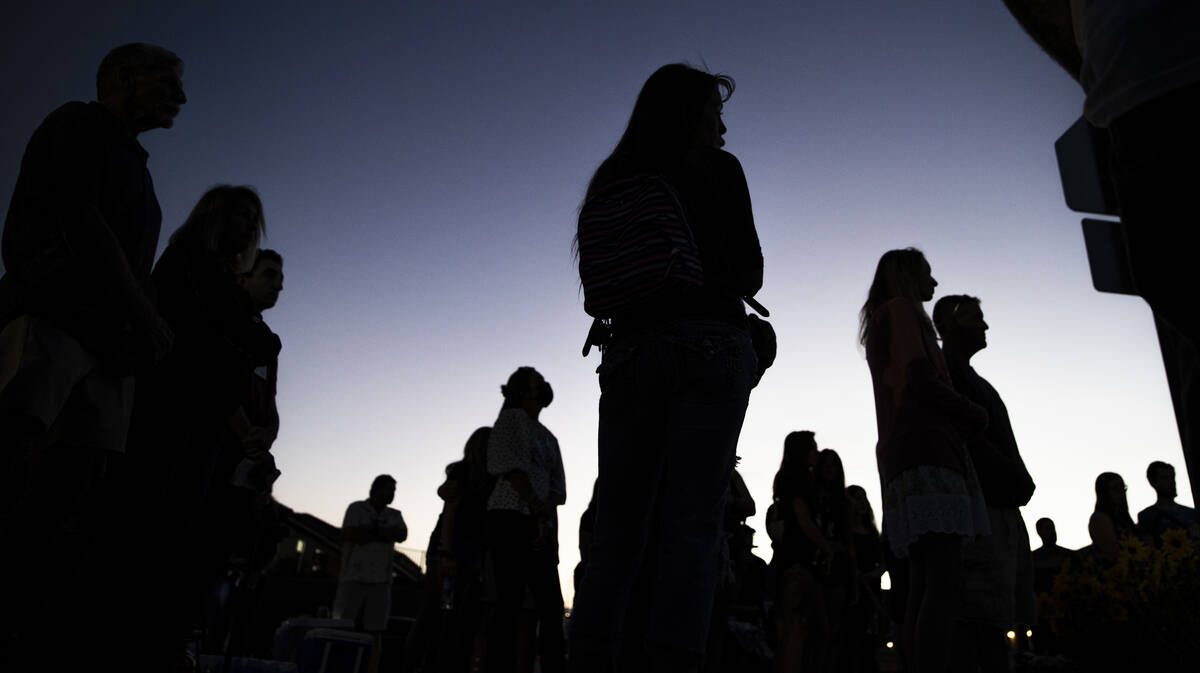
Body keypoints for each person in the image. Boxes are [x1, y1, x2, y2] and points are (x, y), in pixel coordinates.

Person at [568, 64, 763, 673]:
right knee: (692, 529)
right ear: (691, 113)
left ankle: (593, 661)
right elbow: (750, 274)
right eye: (715, 110)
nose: (723, 125)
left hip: (628, 358)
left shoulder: (613, 176)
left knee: (615, 538)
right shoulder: (717, 169)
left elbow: (601, 285)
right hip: (708, 347)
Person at [0, 42, 185, 669]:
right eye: (167, 81)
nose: (180, 97)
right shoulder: (77, 125)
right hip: (56, 321)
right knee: (16, 457)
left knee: (71, 492)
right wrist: (142, 312)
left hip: (109, 351)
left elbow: (131, 259)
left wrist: (143, 326)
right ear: (122, 78)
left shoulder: (143, 175)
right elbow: (80, 220)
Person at [860, 248, 990, 673]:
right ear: (908, 277)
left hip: (905, 453)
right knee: (942, 578)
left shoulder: (885, 318)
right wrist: (971, 412)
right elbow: (920, 377)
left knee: (922, 578)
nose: (934, 285)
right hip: (927, 449)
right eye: (927, 275)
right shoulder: (901, 311)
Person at [932, 294, 1036, 673]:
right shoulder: (949, 374)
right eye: (977, 318)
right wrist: (1015, 475)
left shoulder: (973, 379)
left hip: (1001, 509)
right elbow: (969, 441)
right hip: (982, 514)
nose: (985, 326)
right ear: (953, 324)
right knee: (981, 623)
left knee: (1001, 616)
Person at [484, 366, 566, 673]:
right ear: (522, 391)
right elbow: (512, 470)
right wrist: (535, 506)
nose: (544, 384)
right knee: (510, 601)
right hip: (510, 518)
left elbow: (557, 489)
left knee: (551, 605)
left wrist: (548, 527)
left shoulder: (549, 437)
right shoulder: (511, 419)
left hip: (539, 524)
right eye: (537, 381)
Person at [335, 474, 409, 673]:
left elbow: (401, 534)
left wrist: (372, 532)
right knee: (343, 626)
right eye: (389, 489)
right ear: (376, 489)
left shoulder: (395, 514)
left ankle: (371, 668)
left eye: (394, 490)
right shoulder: (357, 508)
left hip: (381, 581)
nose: (392, 494)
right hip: (352, 577)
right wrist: (381, 533)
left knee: (376, 629)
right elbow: (350, 533)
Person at [841, 485, 884, 673]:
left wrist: (874, 574)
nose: (861, 502)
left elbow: (883, 561)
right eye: (856, 498)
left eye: (863, 497)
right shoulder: (845, 533)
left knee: (870, 642)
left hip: (872, 588)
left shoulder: (872, 532)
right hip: (853, 590)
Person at [1136, 461, 1200, 543]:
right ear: (1153, 482)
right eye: (1165, 478)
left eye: (1172, 477)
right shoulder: (1147, 517)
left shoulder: (1192, 514)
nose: (1171, 482)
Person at [1088, 472, 1137, 563]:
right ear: (1104, 492)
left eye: (1122, 488)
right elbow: (1113, 555)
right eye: (1115, 489)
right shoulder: (1100, 519)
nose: (1121, 492)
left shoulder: (1123, 518)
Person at [1030, 518, 1071, 596]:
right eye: (1048, 529)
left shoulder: (1068, 555)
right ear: (1039, 532)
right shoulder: (1032, 558)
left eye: (1053, 529)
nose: (1052, 532)